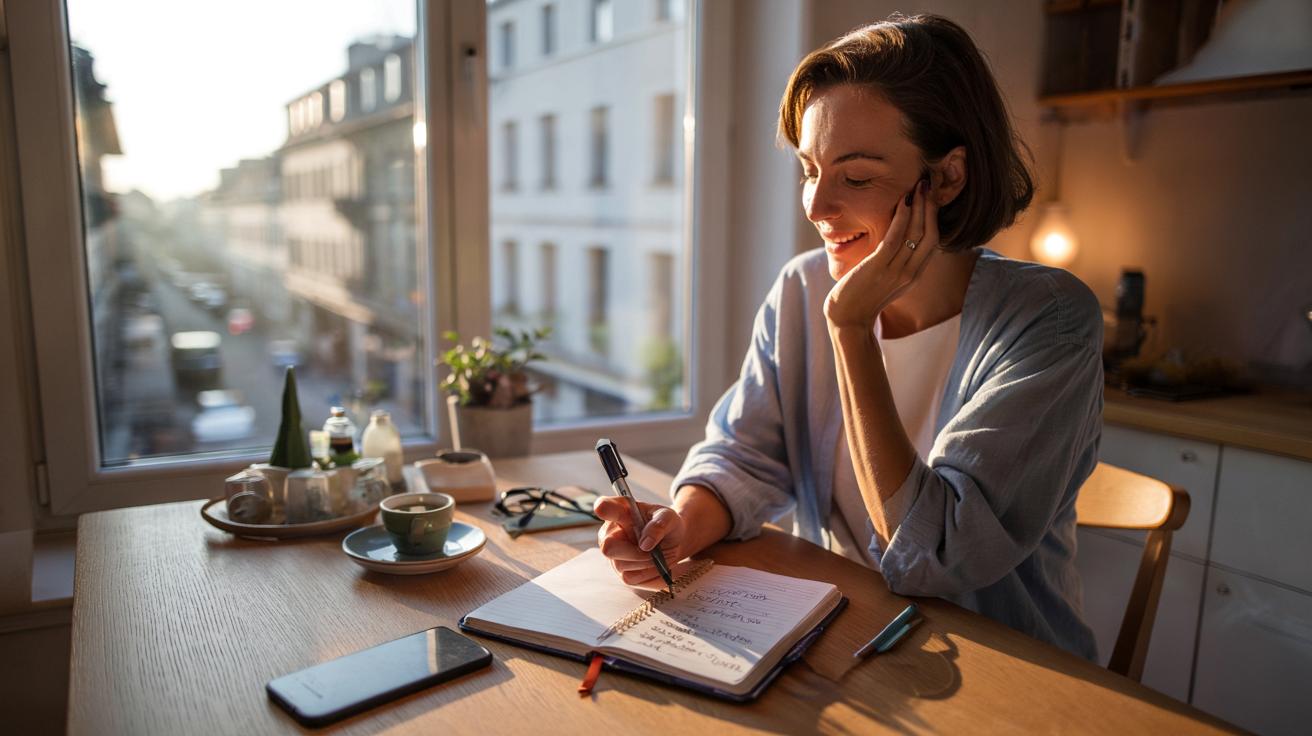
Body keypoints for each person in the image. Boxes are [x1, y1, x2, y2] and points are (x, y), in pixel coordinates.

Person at [595, 14, 1102, 659]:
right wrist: (680, 526)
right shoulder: (802, 289)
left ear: (946, 178)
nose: (815, 205)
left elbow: (935, 558)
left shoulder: (1049, 320)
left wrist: (853, 329)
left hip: (1009, 671)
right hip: (856, 639)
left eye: (855, 177)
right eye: (811, 168)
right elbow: (744, 454)